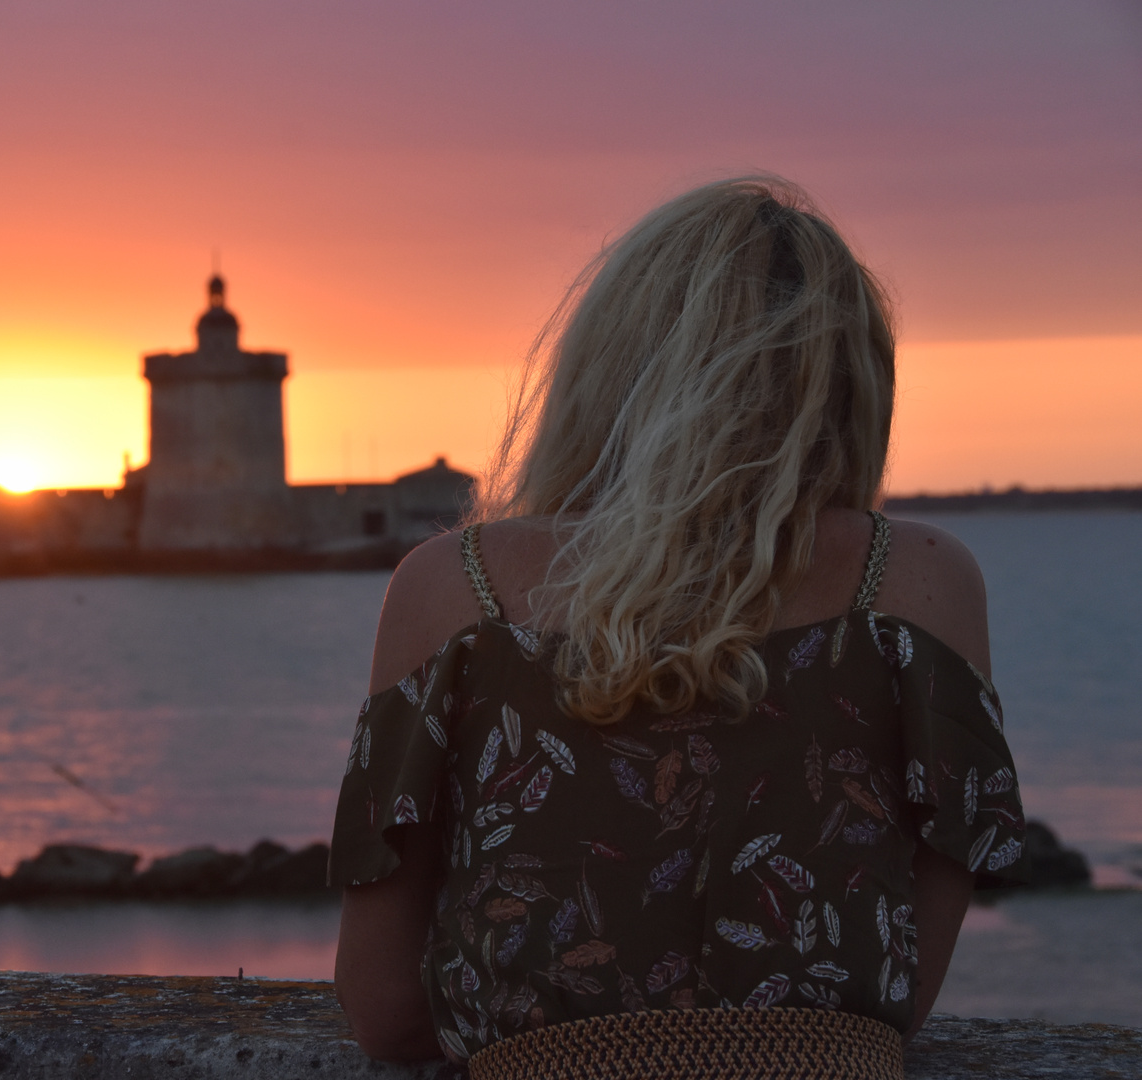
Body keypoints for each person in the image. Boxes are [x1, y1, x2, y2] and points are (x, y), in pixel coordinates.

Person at [329, 178, 1026, 1079]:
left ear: (603, 368)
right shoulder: (919, 584)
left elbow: (382, 1011)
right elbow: (900, 995)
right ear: (852, 383)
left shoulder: (456, 591)